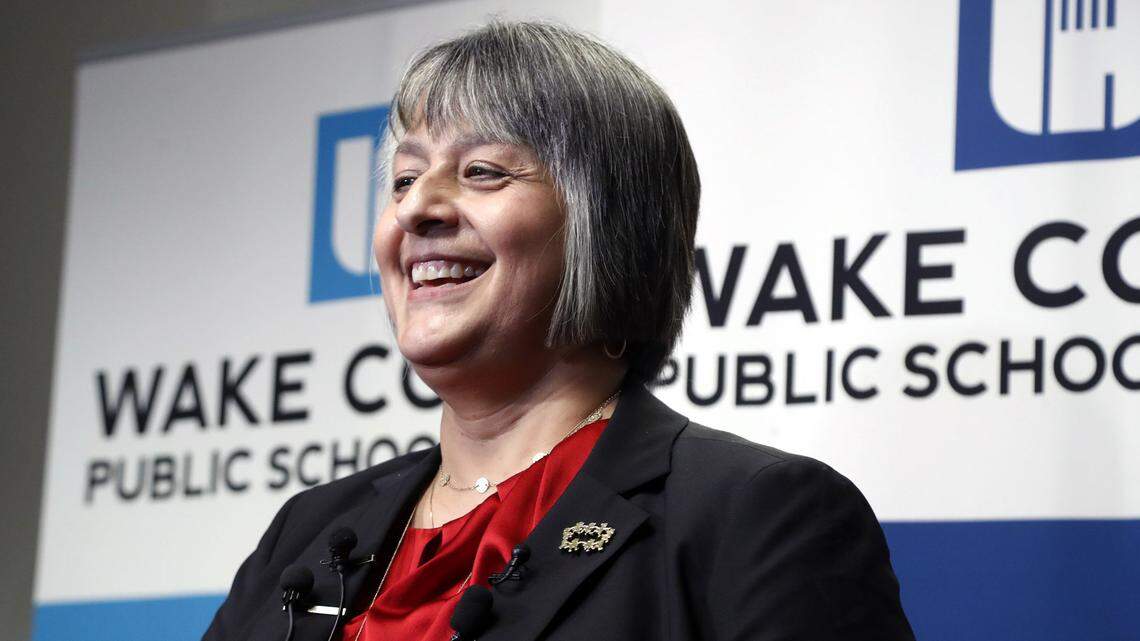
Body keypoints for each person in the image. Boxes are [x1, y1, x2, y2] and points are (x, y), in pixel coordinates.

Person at [203, 20, 915, 641]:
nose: (418, 207)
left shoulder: (754, 515)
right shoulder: (308, 531)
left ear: (607, 226)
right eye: (403, 179)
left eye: (481, 171)